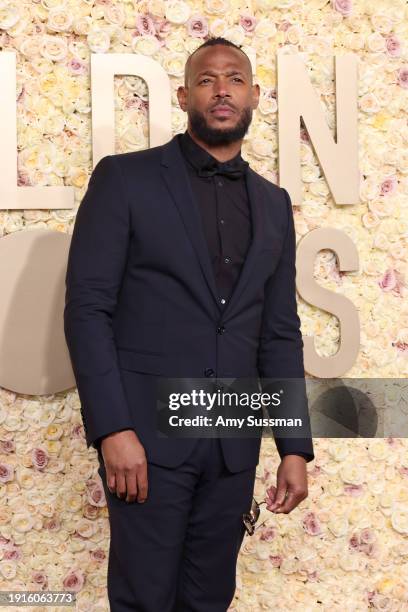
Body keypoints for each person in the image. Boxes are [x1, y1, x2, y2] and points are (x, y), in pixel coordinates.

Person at [64, 36, 315, 612]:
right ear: (183, 96)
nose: (221, 88)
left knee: (210, 599)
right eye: (206, 79)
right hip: (145, 443)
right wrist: (113, 430)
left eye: (234, 78)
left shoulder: (274, 203)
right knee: (144, 599)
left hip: (233, 444)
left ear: (255, 95)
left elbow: (278, 331)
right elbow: (88, 309)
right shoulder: (125, 180)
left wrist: (293, 446)